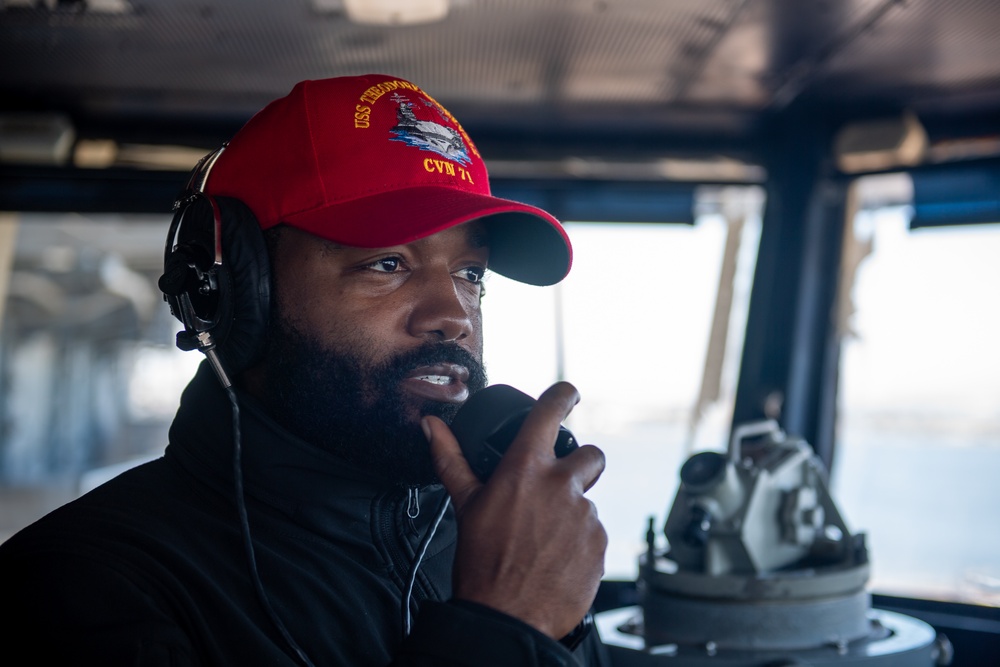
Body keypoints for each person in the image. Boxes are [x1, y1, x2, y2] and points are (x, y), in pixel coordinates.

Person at [0, 74, 609, 665]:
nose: (454, 316)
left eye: (470, 274)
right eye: (387, 264)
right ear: (238, 293)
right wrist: (502, 629)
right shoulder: (81, 589)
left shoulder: (504, 537)